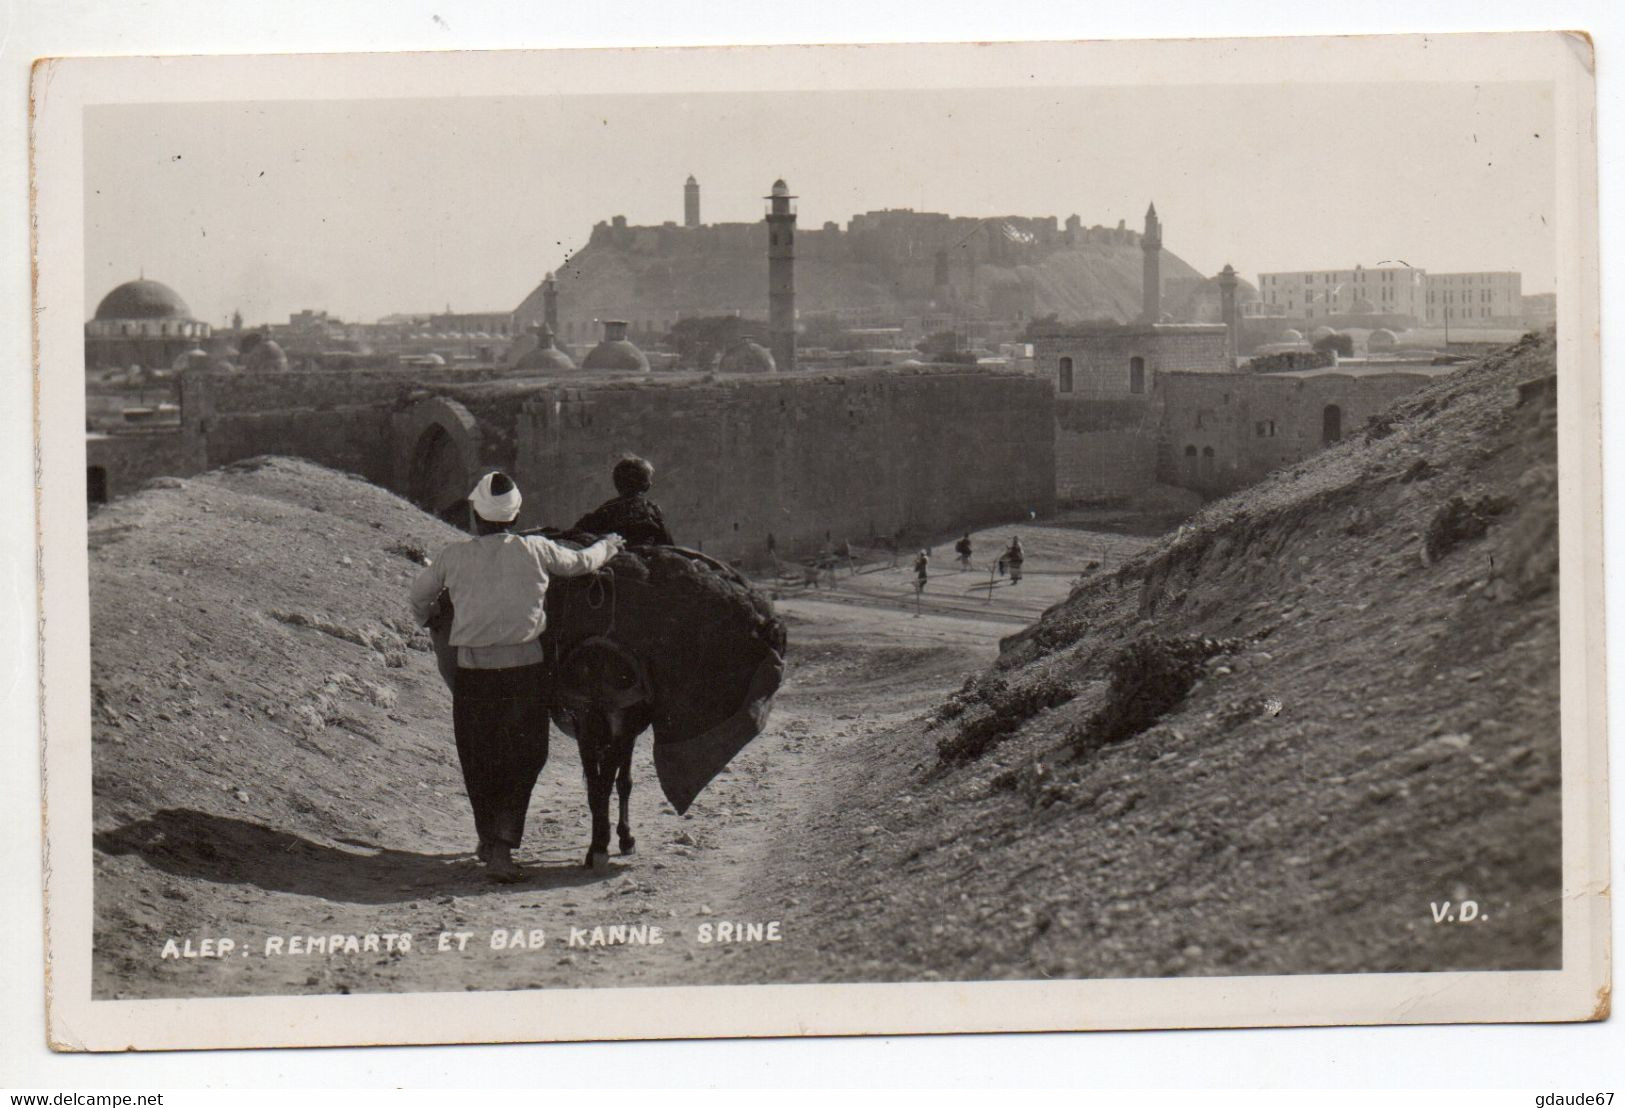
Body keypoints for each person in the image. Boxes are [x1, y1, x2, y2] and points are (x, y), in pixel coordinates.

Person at [410, 471, 624, 883]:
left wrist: (430, 615)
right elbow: (582, 563)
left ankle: (490, 839)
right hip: (526, 673)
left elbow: (418, 596)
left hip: (473, 675)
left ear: (476, 515)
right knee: (526, 756)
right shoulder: (537, 550)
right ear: (516, 515)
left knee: (479, 757)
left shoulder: (453, 556)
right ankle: (502, 846)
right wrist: (608, 545)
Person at [572, 454, 674, 547]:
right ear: (644, 485)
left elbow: (582, 528)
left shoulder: (607, 508)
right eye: (648, 479)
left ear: (617, 483)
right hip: (644, 555)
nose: (651, 483)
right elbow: (667, 541)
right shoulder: (651, 509)